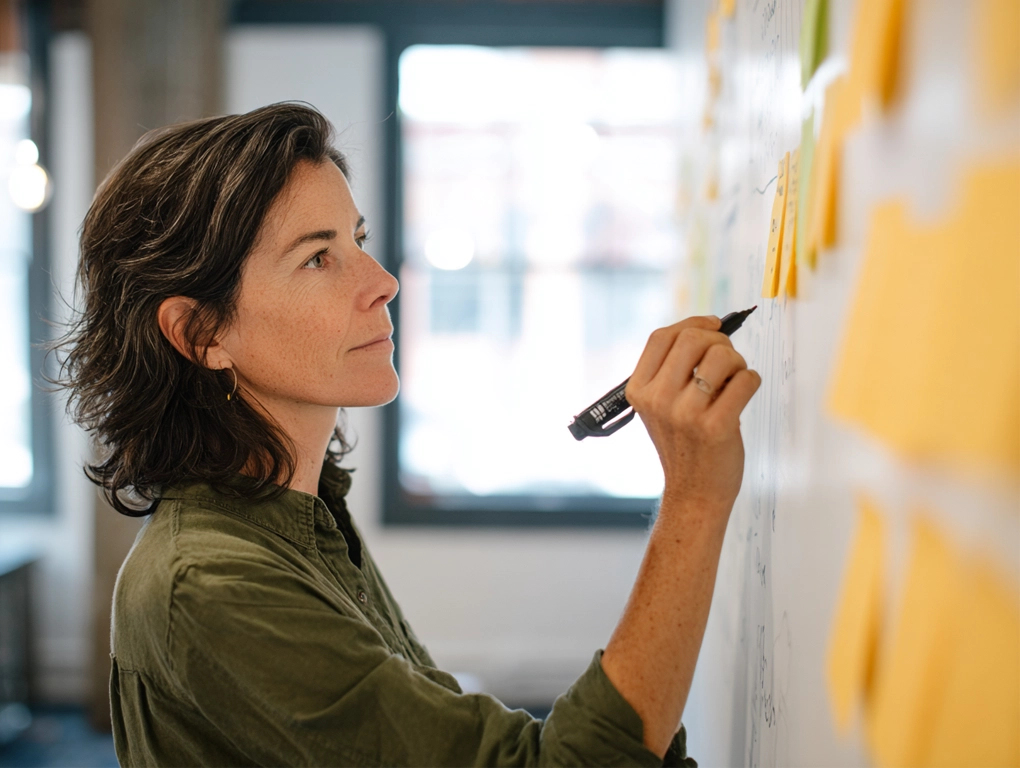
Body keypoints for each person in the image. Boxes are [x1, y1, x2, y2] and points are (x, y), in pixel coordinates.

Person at [57, 102, 760, 767]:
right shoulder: (207, 586)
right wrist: (695, 499)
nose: (384, 281)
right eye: (317, 258)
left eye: (357, 239)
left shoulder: (302, 513)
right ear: (200, 332)